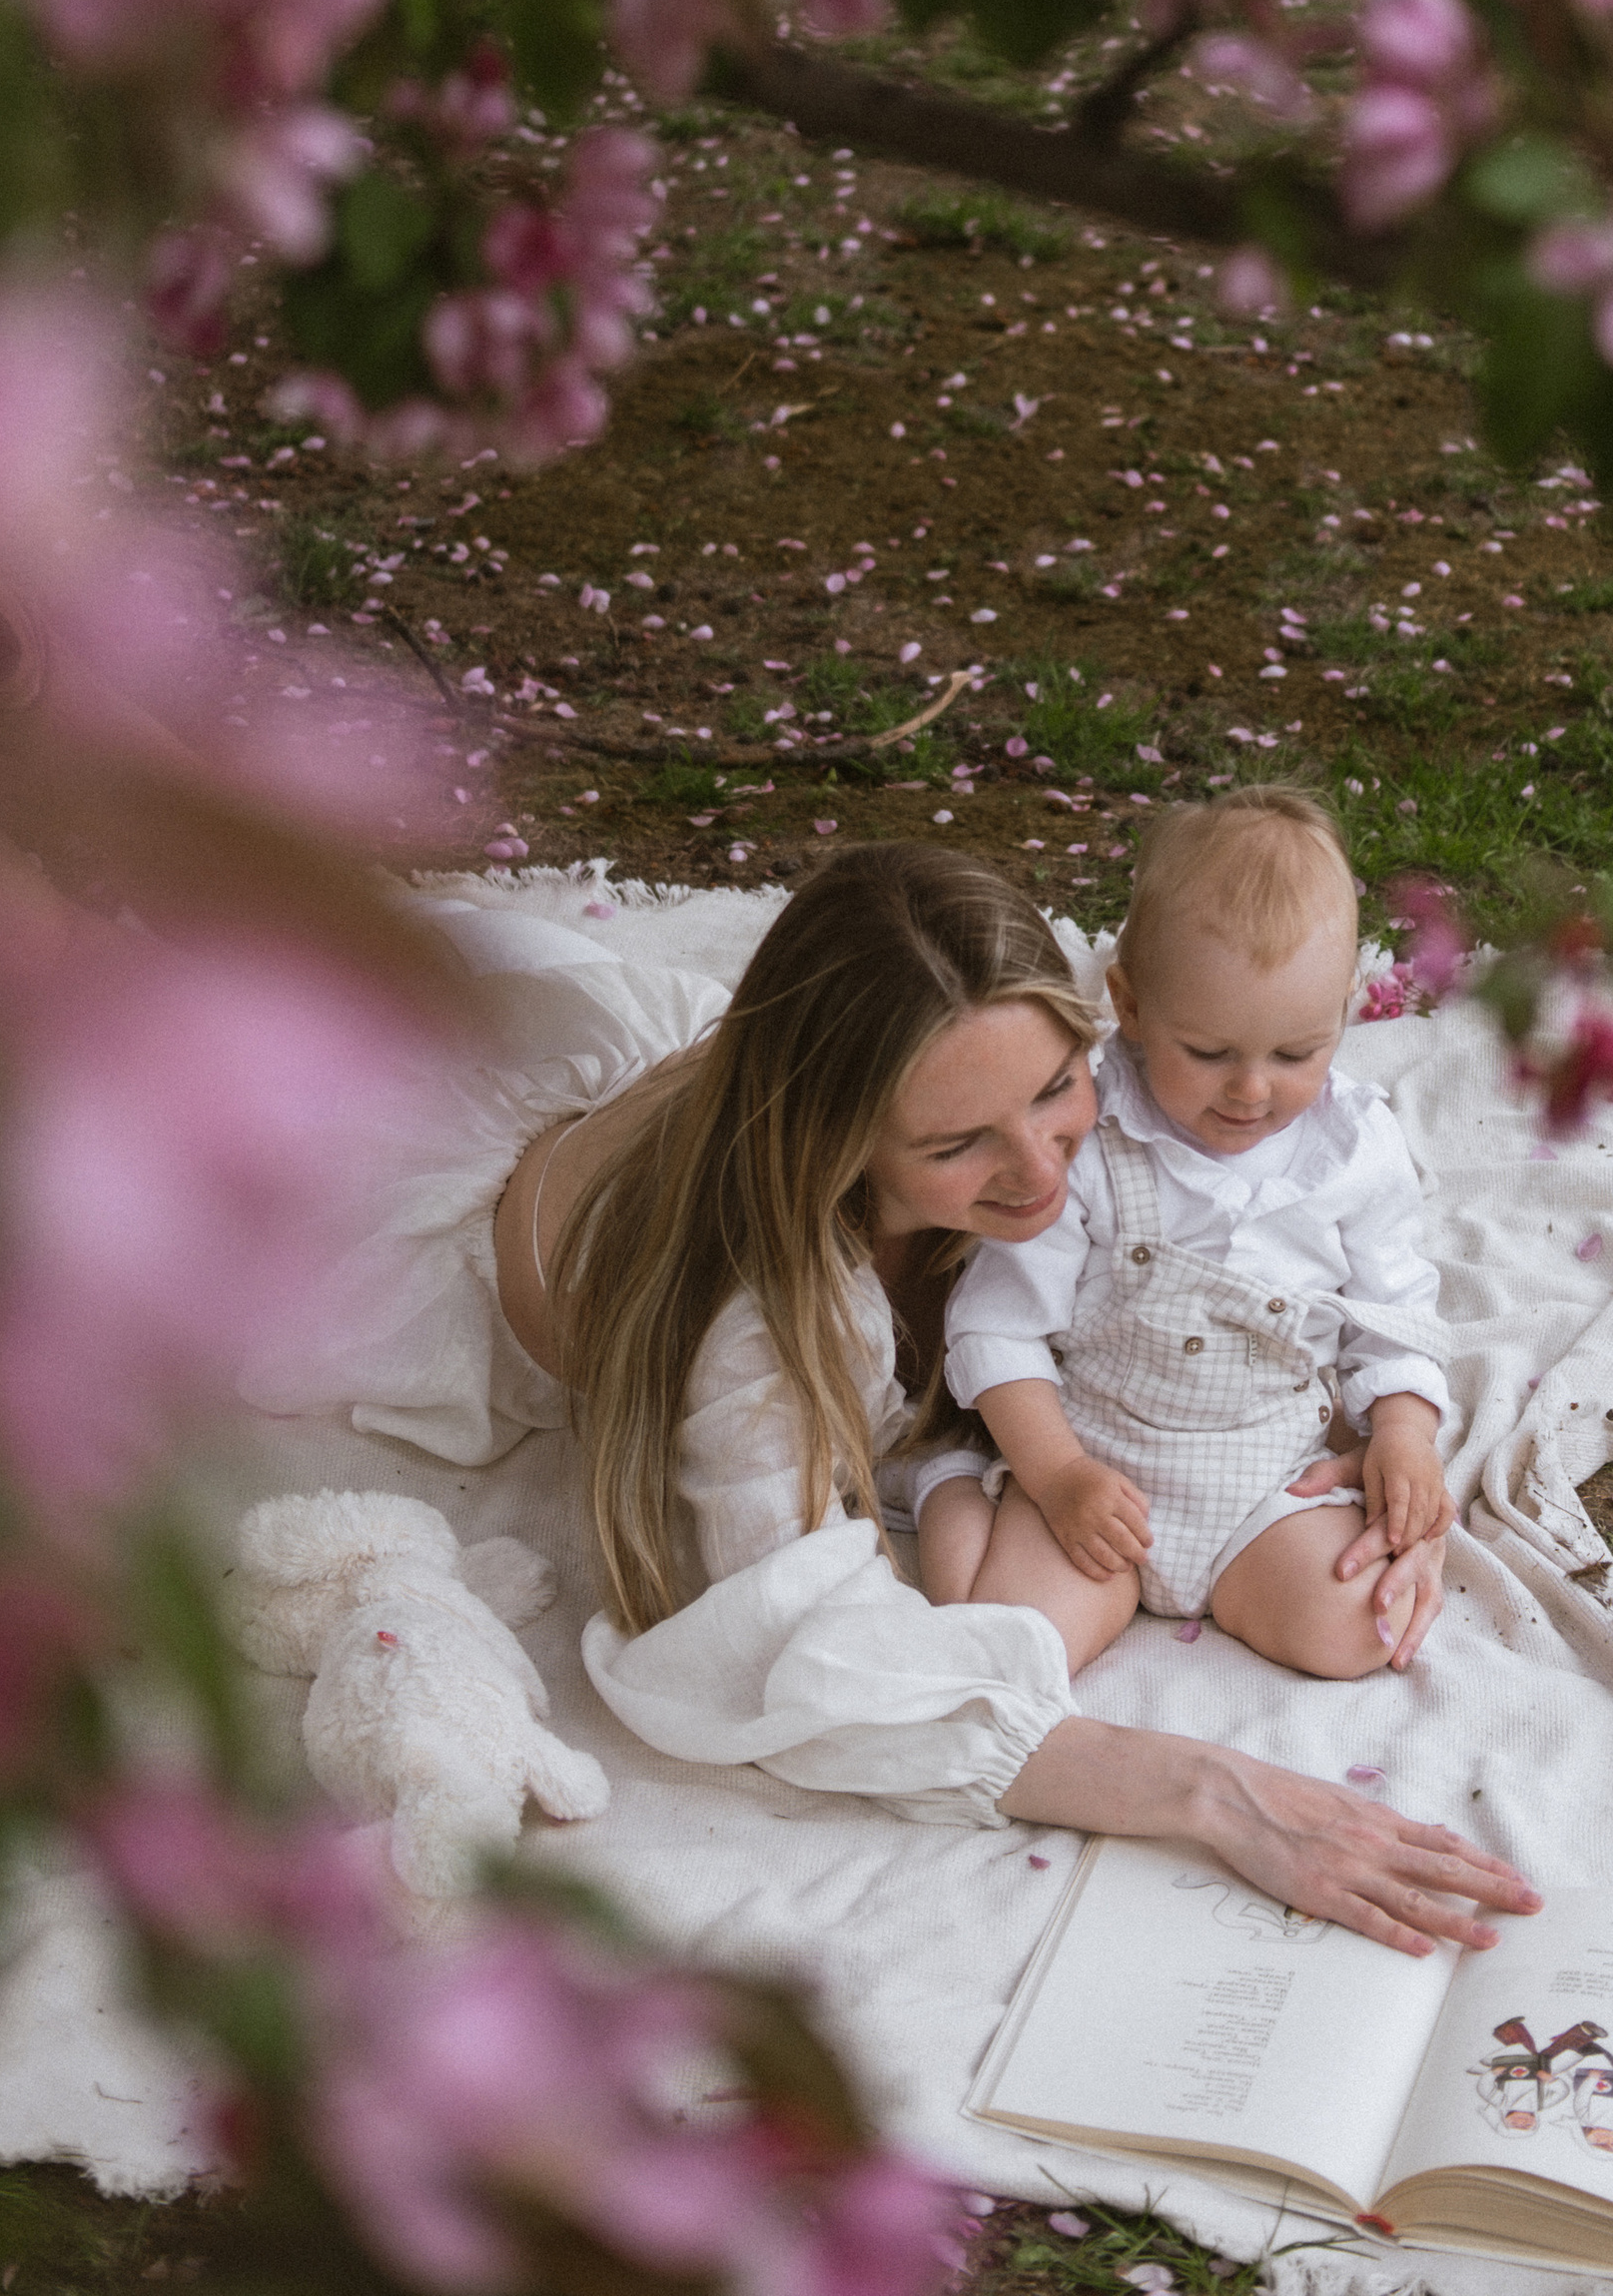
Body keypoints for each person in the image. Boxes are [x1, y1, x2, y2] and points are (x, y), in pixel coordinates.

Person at [460, 838, 1534, 1960]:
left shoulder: (1122, 1088)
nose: (1041, 1174)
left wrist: (1386, 1436)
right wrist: (1209, 1791)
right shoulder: (759, 1330)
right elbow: (790, 1646)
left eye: (1055, 1089)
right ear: (842, 1145)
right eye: (958, 1143)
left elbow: (1313, 1273)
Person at [921, 790, 1454, 1679]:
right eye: (1207, 1052)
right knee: (1010, 1650)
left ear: (1349, 1011)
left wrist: (1403, 1432)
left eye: (1296, 1054)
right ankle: (951, 1492)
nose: (1252, 1091)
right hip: (1095, 1460)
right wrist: (1056, 1479)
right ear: (1127, 1004)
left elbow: (1394, 1312)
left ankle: (1244, 1578)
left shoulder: (1355, 1150)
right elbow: (998, 1326)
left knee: (1363, 1627)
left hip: (1264, 1470)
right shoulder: (1089, 1135)